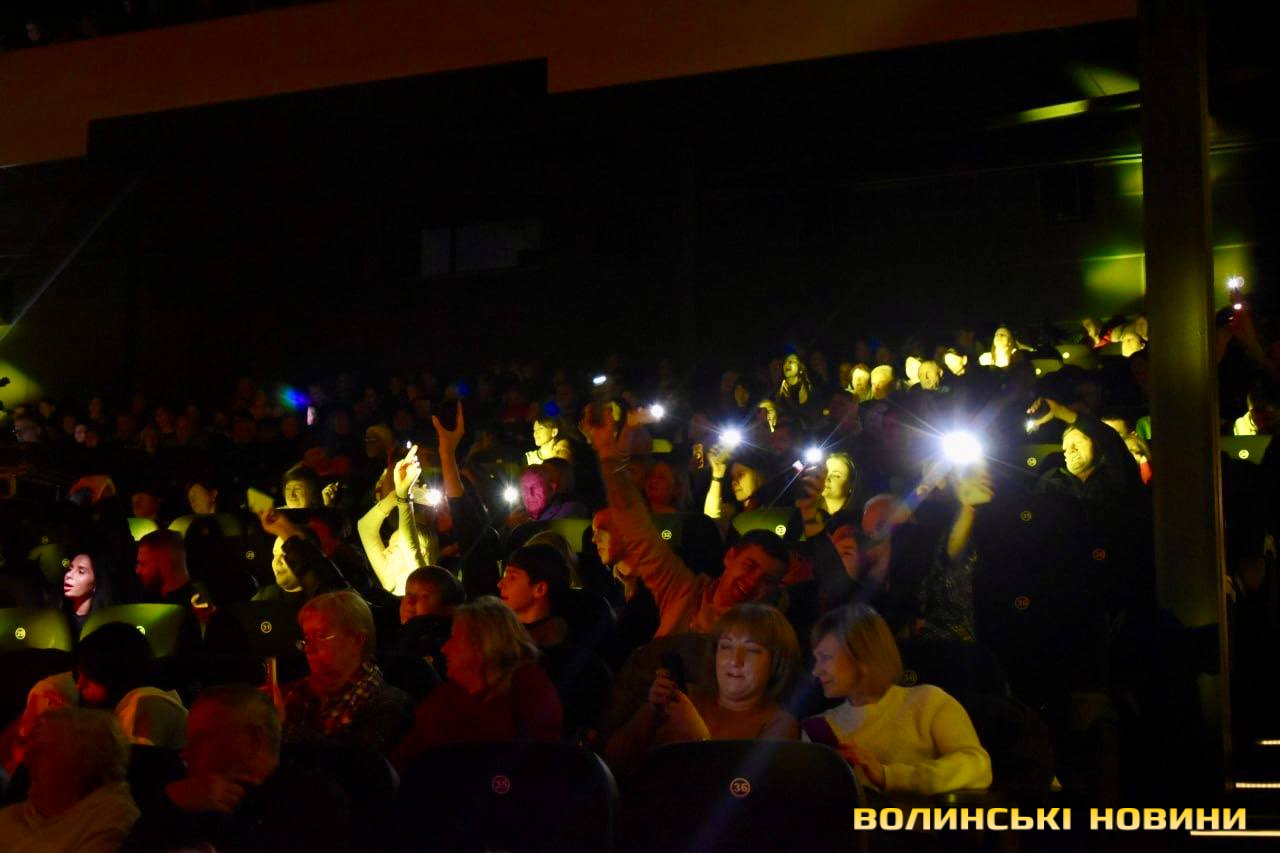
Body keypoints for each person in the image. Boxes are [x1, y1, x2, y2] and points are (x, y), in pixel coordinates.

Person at [587, 410, 790, 637]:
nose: (752, 582)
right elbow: (634, 523)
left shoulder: (763, 635)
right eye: (749, 566)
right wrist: (608, 451)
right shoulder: (684, 592)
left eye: (766, 580)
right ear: (730, 556)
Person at [121, 686, 350, 853]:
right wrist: (169, 807)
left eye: (201, 741)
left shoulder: (311, 802)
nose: (186, 754)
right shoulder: (193, 800)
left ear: (253, 740)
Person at [805, 604, 992, 795]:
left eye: (826, 658)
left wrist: (888, 775)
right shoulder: (820, 727)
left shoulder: (927, 702)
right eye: (816, 659)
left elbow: (977, 765)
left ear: (863, 656)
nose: (816, 671)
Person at [605, 604, 800, 773]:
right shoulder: (684, 698)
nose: (735, 660)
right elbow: (611, 763)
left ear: (775, 662)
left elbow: (742, 793)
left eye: (751, 650)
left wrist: (698, 738)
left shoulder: (780, 724)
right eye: (726, 647)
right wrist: (650, 714)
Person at [393, 597, 562, 766]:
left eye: (454, 638)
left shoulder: (528, 695)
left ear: (483, 645)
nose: (444, 648)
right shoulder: (449, 693)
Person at [276, 590, 414, 755]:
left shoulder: (389, 704)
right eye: (307, 639)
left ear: (357, 639)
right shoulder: (295, 691)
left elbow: (352, 761)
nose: (309, 649)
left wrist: (280, 727)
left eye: (321, 636)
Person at [0, 708, 139, 852]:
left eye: (42, 750)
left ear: (83, 761)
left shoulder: (108, 819)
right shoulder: (15, 815)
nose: (27, 761)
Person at [356, 444, 435, 595]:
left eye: (396, 546)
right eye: (390, 546)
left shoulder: (423, 582)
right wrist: (393, 497)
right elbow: (365, 527)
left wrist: (404, 496)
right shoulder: (390, 581)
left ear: (422, 551)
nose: (387, 550)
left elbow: (409, 545)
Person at [497, 544, 572, 648]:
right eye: (505, 575)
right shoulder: (497, 629)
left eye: (512, 577)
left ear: (540, 589)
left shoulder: (552, 646)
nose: (500, 584)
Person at [62, 550, 114, 629]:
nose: (69, 575)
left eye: (81, 572)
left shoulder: (105, 623)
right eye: (70, 569)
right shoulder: (58, 618)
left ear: (95, 583)